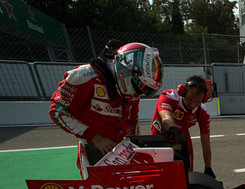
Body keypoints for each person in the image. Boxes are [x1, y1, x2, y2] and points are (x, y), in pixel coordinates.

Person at [50, 42, 163, 178]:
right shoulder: (83, 76)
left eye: (144, 88)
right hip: (93, 148)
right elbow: (58, 112)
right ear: (126, 71)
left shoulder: (132, 89)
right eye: (140, 85)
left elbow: (132, 119)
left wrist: (133, 144)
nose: (139, 92)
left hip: (122, 150)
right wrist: (95, 138)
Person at [151, 75, 216, 177]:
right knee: (162, 171)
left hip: (182, 134)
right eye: (190, 100)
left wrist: (208, 167)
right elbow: (165, 116)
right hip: (162, 133)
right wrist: (172, 127)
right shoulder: (169, 97)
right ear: (183, 92)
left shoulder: (202, 111)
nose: (193, 105)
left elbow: (205, 140)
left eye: (197, 102)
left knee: (187, 167)